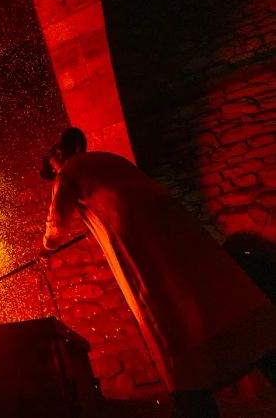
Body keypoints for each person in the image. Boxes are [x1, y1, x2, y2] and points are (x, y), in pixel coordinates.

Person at [41, 127, 276, 417]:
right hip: (172, 227)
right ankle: (261, 347)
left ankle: (193, 396)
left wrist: (46, 249)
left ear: (67, 152)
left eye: (54, 155)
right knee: (214, 291)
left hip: (141, 242)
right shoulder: (110, 160)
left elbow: (57, 223)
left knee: (168, 315)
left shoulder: (70, 170)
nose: (53, 160)